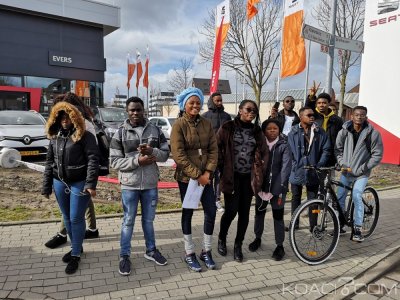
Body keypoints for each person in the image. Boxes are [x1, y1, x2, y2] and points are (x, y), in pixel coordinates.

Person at [110, 97, 170, 276]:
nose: (135, 113)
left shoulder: (155, 130)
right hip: (129, 185)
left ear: (144, 110)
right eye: (131, 110)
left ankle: (151, 250)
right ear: (127, 112)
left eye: (138, 109)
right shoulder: (120, 133)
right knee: (128, 221)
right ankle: (124, 256)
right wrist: (137, 161)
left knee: (148, 220)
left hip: (150, 184)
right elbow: (114, 161)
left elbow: (166, 154)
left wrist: (152, 151)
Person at [42, 101, 99, 274]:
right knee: (66, 217)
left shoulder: (85, 135)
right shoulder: (54, 136)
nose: (65, 120)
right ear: (56, 119)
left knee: (76, 218)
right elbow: (49, 162)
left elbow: (92, 160)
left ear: (74, 117)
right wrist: (46, 185)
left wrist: (90, 183)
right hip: (59, 181)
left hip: (79, 182)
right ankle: (77, 247)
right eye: (61, 117)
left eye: (68, 116)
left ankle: (75, 254)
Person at [170, 87, 218, 272]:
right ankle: (189, 252)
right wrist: (197, 175)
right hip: (187, 178)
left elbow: (213, 150)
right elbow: (178, 155)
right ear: (184, 105)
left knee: (211, 211)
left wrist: (207, 173)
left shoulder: (206, 124)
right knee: (188, 213)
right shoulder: (178, 125)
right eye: (192, 102)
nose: (195, 105)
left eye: (198, 102)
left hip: (206, 177)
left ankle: (206, 251)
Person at [217, 100, 268, 262]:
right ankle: (222, 239)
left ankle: (238, 245)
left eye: (254, 110)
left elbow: (264, 152)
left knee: (245, 213)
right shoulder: (227, 127)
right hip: (231, 177)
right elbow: (217, 147)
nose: (251, 112)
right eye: (248, 109)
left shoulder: (257, 130)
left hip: (249, 179)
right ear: (240, 110)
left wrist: (260, 171)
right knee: (231, 211)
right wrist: (221, 169)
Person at [335, 106, 383, 242]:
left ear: (366, 117)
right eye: (356, 115)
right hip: (346, 171)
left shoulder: (373, 134)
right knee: (340, 198)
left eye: (362, 115)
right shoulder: (344, 131)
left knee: (356, 196)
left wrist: (364, 167)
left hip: (362, 173)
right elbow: (337, 149)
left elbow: (377, 155)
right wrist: (341, 162)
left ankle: (357, 228)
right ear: (351, 116)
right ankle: (341, 224)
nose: (359, 117)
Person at [248, 119, 291, 261]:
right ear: (264, 131)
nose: (272, 131)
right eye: (269, 129)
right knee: (259, 214)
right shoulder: (259, 144)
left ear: (279, 130)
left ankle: (280, 246)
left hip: (278, 188)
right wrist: (255, 184)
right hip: (261, 187)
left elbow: (285, 168)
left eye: (275, 129)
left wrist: (279, 188)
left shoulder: (284, 145)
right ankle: (257, 238)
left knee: (278, 217)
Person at [287, 107, 330, 229]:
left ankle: (313, 226)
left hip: (314, 171)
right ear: (301, 117)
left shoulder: (320, 132)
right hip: (297, 170)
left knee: (314, 200)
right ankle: (294, 224)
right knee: (295, 198)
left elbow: (326, 150)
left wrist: (320, 164)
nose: (312, 117)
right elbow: (289, 151)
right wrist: (294, 165)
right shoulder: (293, 132)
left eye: (313, 115)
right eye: (309, 115)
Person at [202, 92, 232, 213]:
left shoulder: (227, 116)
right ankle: (208, 200)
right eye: (217, 101)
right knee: (210, 176)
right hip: (210, 152)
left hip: (223, 152)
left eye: (221, 100)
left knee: (220, 177)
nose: (219, 103)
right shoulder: (205, 116)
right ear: (211, 101)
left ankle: (217, 200)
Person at [305, 92, 343, 167]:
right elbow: (308, 108)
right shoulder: (313, 116)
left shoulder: (337, 120)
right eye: (319, 103)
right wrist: (311, 97)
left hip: (331, 154)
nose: (321, 105)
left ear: (329, 104)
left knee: (329, 177)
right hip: (314, 152)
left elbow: (341, 138)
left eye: (324, 103)